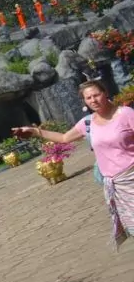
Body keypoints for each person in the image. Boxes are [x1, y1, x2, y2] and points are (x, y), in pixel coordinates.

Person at [13, 80, 134, 248]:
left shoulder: (125, 114)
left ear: (105, 93)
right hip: (115, 185)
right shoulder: (87, 123)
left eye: (96, 95)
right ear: (84, 101)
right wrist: (35, 131)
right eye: (88, 97)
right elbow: (63, 138)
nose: (93, 100)